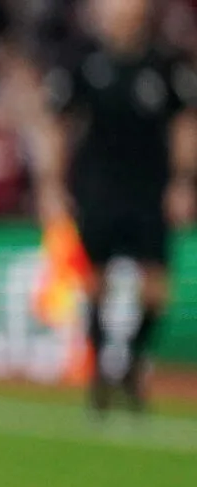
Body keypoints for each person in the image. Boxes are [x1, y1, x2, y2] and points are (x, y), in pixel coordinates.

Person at [36, 0, 197, 412]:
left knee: (155, 289)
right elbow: (58, 122)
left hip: (148, 189)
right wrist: (52, 183)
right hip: (98, 188)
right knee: (95, 282)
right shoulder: (83, 62)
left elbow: (183, 123)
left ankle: (130, 363)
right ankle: (101, 373)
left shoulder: (164, 66)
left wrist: (182, 180)